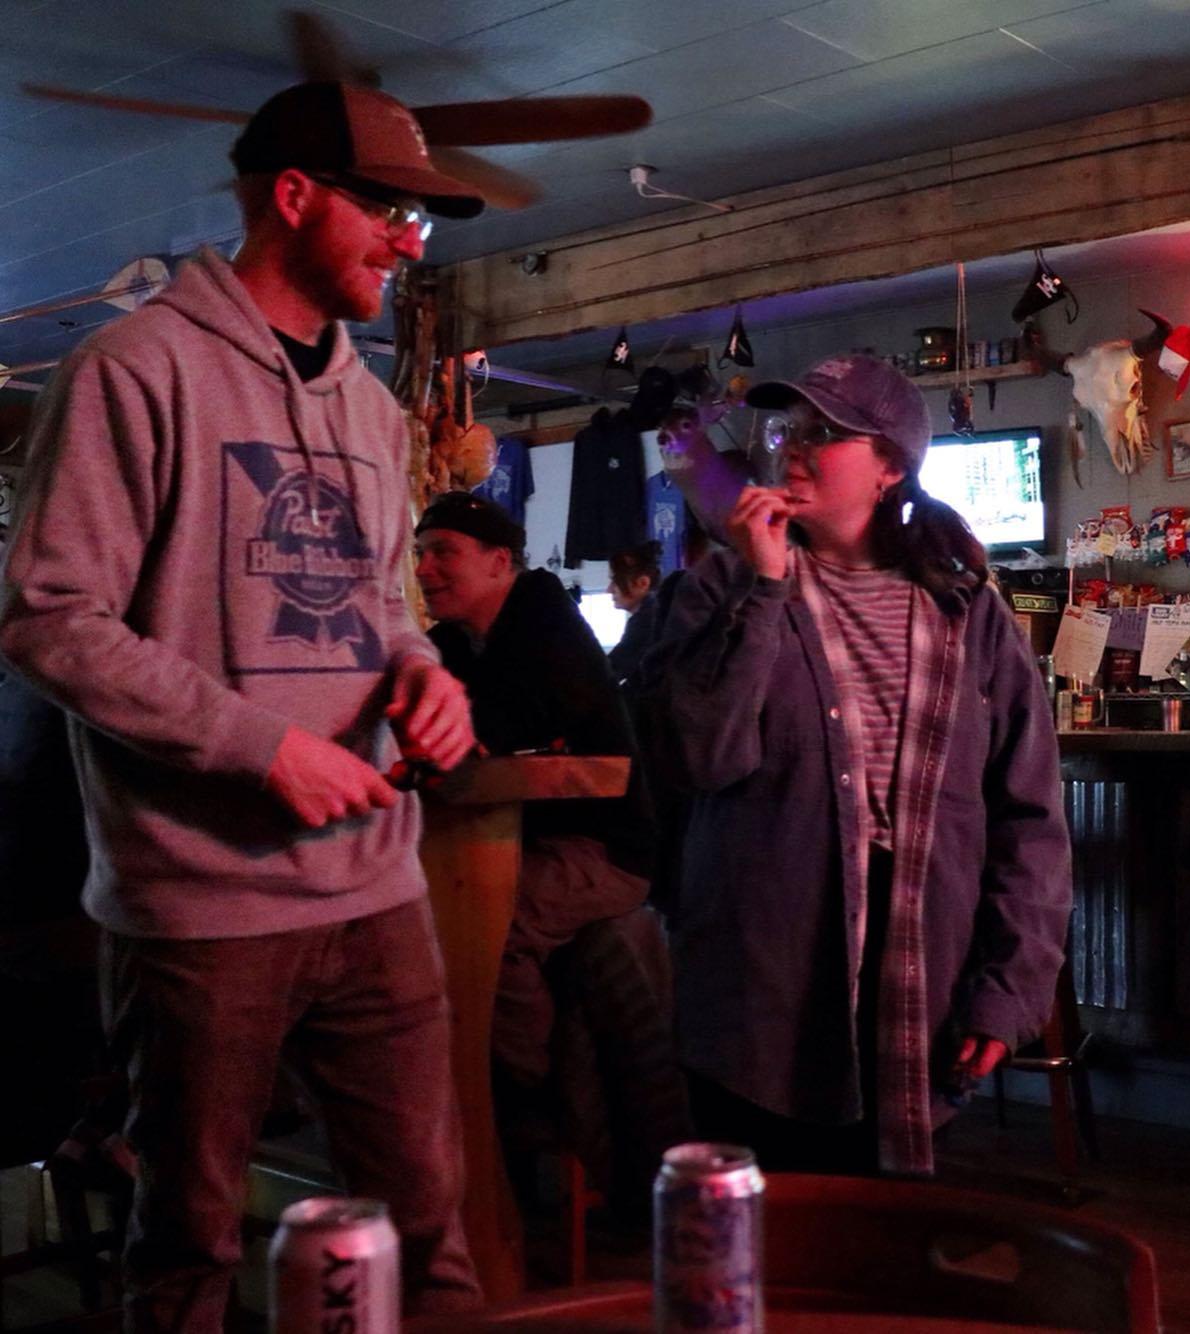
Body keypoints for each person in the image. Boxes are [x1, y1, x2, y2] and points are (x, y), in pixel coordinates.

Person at [0, 81, 489, 1330]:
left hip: (377, 888)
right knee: (189, 1254)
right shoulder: (132, 368)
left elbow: (383, 606)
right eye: (386, 208)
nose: (408, 240)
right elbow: (51, 618)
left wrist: (424, 675)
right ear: (293, 196)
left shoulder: (378, 414)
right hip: (201, 906)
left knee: (429, 1232)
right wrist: (260, 745)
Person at [647, 353, 1071, 1176]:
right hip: (761, 966)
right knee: (759, 1246)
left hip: (918, 964)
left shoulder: (965, 606)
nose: (794, 450)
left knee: (878, 1250)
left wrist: (1010, 986)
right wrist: (762, 591)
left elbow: (1028, 815)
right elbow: (701, 757)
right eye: (785, 430)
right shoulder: (715, 588)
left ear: (890, 466)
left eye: (827, 433)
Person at [414, 493, 655, 1088]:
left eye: (443, 551)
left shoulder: (544, 626)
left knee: (490, 929)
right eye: (419, 553)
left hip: (606, 850)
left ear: (500, 562)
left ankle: (527, 1098)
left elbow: (503, 732)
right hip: (510, 838)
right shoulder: (454, 642)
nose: (423, 569)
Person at [607, 540, 662, 687]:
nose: (609, 589)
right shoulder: (655, 612)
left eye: (615, 581)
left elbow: (611, 671)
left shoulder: (646, 621)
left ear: (643, 583)